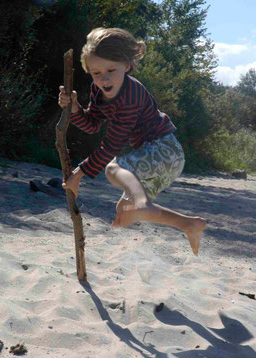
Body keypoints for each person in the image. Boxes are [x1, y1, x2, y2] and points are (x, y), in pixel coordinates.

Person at [58, 27, 206, 255]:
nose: (103, 78)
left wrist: (78, 173)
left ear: (126, 66)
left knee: (113, 168)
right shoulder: (99, 91)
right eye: (96, 73)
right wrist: (75, 109)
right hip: (153, 157)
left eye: (110, 70)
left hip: (165, 151)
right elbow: (93, 124)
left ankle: (143, 204)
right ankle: (190, 224)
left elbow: (112, 145)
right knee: (126, 209)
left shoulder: (130, 95)